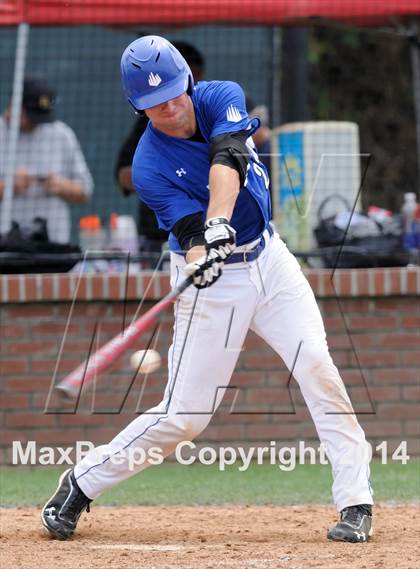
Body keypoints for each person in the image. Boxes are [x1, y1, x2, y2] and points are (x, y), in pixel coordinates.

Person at [42, 36, 373, 543]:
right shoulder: (149, 165)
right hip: (211, 282)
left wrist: (219, 222)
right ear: (138, 106)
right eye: (155, 103)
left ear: (188, 83)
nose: (171, 108)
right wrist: (201, 258)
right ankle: (81, 482)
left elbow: (230, 155)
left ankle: (355, 502)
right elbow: (190, 234)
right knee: (185, 417)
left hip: (271, 261)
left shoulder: (221, 95)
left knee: (317, 368)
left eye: (175, 94)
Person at [115, 41, 205, 266]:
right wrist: (169, 174)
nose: (170, 103)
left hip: (219, 233)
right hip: (159, 235)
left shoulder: (213, 104)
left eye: (177, 87)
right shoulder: (151, 123)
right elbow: (123, 174)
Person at [0, 77, 93, 243]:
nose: (37, 122)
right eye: (32, 115)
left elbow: (85, 191)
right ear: (15, 105)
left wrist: (62, 186)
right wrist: (9, 186)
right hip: (5, 244)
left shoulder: (61, 134)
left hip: (52, 245)